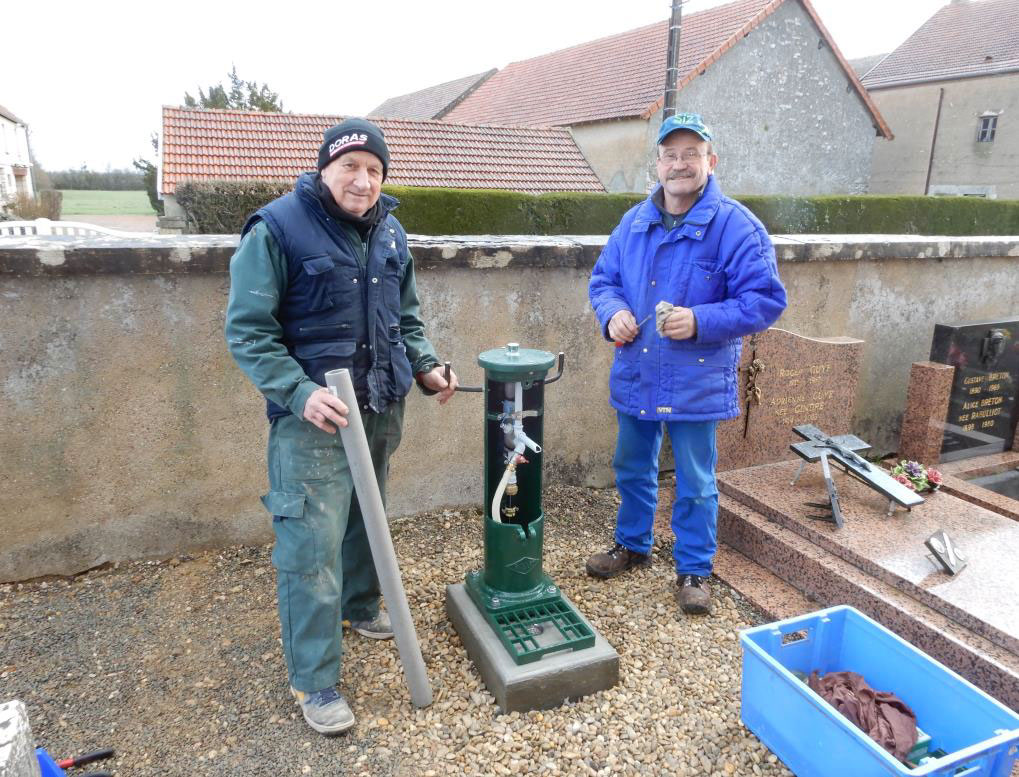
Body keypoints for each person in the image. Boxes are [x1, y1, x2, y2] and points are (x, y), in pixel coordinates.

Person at [225, 118, 457, 735]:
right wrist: (299, 393)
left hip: (380, 406)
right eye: (350, 166)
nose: (362, 180)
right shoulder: (276, 229)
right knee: (311, 548)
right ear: (324, 169)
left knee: (366, 516)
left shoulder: (390, 232)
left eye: (374, 170)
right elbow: (249, 332)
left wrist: (428, 366)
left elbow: (406, 320)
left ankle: (359, 606)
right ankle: (316, 679)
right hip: (313, 421)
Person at [586, 112, 787, 615]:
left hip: (695, 380)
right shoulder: (633, 223)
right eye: (670, 155)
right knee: (632, 467)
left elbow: (764, 300)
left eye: (690, 154)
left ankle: (695, 567)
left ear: (710, 161)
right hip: (637, 372)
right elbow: (603, 281)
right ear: (657, 163)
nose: (679, 165)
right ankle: (633, 544)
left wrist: (699, 320)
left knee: (695, 481)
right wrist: (613, 315)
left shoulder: (737, 226)